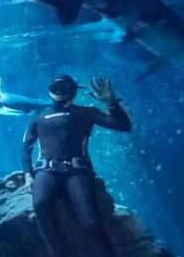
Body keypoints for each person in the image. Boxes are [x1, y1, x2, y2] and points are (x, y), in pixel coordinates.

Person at [22, 75, 132, 257]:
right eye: (55, 87)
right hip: (47, 171)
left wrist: (111, 102)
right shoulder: (38, 116)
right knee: (40, 204)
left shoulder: (86, 112)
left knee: (91, 222)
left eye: (63, 87)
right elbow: (25, 147)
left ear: (73, 92)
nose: (58, 91)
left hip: (77, 173)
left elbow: (123, 125)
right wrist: (28, 173)